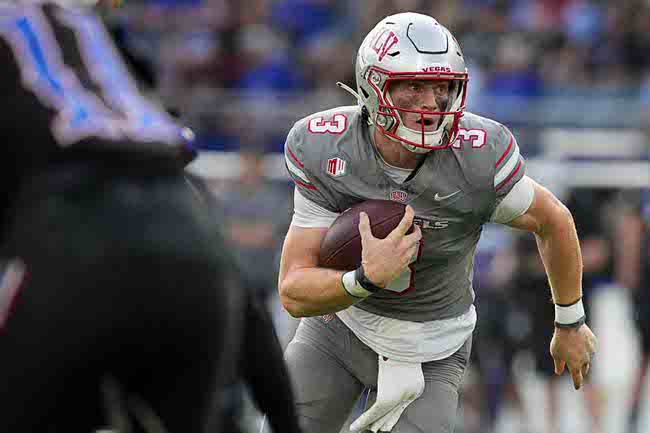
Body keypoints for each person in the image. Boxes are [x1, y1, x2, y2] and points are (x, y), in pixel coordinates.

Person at [278, 12, 598, 433]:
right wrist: (363, 278)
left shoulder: (478, 157)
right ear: (373, 87)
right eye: (413, 85)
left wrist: (570, 320)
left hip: (432, 344)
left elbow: (553, 220)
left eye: (442, 87)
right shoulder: (327, 148)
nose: (431, 102)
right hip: (340, 329)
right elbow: (294, 289)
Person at [0, 1, 301, 433]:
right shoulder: (94, 48)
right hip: (196, 265)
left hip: (71, 253)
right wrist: (287, 420)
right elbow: (243, 300)